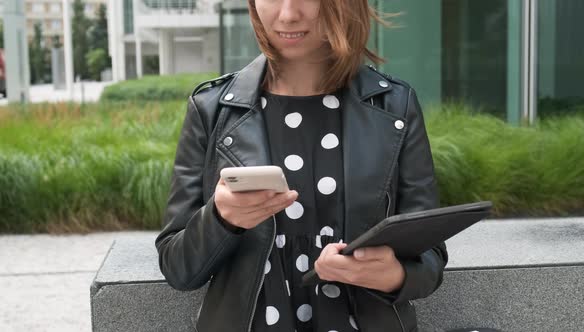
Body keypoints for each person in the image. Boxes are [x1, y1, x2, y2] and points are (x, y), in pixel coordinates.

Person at [155, 0, 448, 331]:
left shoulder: (395, 106)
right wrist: (222, 220)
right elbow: (177, 267)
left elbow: (430, 258)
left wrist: (395, 275)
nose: (288, 14)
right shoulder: (211, 110)